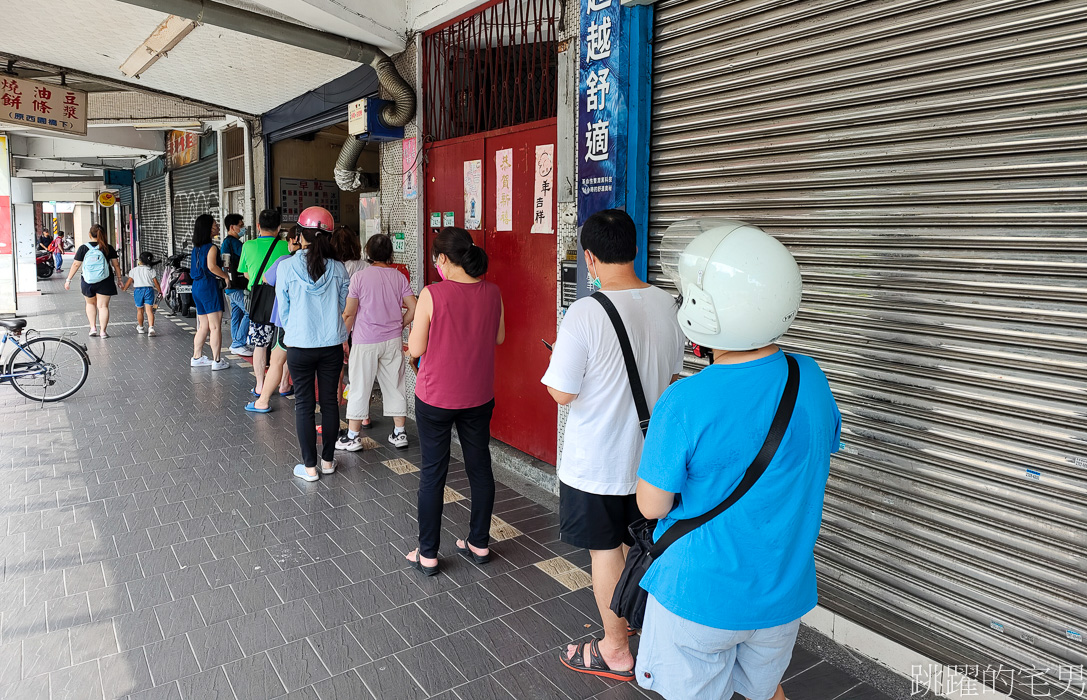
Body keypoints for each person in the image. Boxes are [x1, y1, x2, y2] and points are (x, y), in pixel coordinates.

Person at [633, 222, 841, 700]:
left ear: (707, 313)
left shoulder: (684, 400)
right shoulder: (809, 377)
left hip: (698, 597)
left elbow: (652, 506)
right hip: (780, 595)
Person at [542, 209, 685, 681]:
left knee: (606, 552)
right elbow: (667, 378)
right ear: (635, 249)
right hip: (655, 461)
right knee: (646, 548)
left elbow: (562, 393)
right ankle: (645, 628)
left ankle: (616, 649)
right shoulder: (669, 305)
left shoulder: (586, 310)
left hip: (598, 461)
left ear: (590, 258)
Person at [405, 227, 504, 577]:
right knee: (480, 467)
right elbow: (500, 336)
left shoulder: (433, 294)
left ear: (443, 259)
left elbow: (416, 349)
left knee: (433, 472)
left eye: (436, 259)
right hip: (478, 395)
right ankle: (479, 542)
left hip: (436, 396)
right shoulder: (493, 292)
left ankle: (428, 553)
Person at [275, 206, 349, 482]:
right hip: (331, 345)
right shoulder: (339, 268)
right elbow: (341, 305)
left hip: (299, 346)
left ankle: (309, 468)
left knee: (304, 405)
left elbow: (284, 309)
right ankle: (328, 462)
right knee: (330, 403)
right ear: (328, 237)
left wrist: (295, 326)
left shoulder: (287, 266)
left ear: (301, 236)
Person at [336, 233, 417, 451]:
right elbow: (414, 307)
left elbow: (349, 314)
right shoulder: (398, 277)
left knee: (360, 386)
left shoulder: (359, 278)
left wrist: (343, 338)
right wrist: (399, 324)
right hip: (392, 341)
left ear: (367, 253)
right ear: (390, 254)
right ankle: (400, 433)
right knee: (395, 386)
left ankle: (353, 437)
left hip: (365, 341)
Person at [245, 226, 301, 413]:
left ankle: (263, 397)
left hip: (285, 319)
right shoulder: (327, 263)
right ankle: (285, 385)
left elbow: (266, 279)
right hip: (311, 323)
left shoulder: (285, 261)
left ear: (293, 240)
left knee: (276, 357)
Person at [239, 209, 290, 394]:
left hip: (259, 299)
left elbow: (246, 273)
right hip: (283, 300)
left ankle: (260, 385)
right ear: (279, 228)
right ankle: (284, 383)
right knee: (284, 343)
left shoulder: (248, 246)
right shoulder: (286, 246)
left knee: (260, 344)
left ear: (258, 226)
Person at [65, 224, 127, 338]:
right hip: (105, 280)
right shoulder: (107, 247)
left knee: (90, 303)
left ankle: (93, 328)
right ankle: (103, 332)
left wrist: (68, 280)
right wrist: (119, 279)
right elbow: (116, 265)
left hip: (87, 281)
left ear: (90, 234)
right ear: (103, 234)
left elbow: (76, 264)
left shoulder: (83, 248)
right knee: (103, 306)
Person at [189, 214, 231, 370]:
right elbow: (212, 267)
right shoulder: (212, 248)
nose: (217, 226)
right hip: (209, 286)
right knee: (215, 327)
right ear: (207, 229)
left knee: (203, 326)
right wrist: (226, 276)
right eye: (214, 225)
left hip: (197, 287)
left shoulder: (196, 248)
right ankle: (217, 361)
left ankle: (197, 357)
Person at [220, 213, 253, 357]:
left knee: (237, 314)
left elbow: (225, 265)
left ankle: (237, 342)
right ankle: (238, 343)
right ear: (232, 227)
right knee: (249, 311)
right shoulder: (234, 243)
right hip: (236, 285)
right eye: (241, 225)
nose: (243, 228)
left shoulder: (226, 243)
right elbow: (247, 260)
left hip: (231, 285)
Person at [121, 251, 162, 336]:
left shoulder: (134, 270)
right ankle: (151, 328)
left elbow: (129, 282)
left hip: (138, 291)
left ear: (139, 260)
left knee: (140, 310)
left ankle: (141, 327)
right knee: (149, 310)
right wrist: (160, 291)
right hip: (149, 290)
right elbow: (156, 282)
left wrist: (124, 288)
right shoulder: (151, 270)